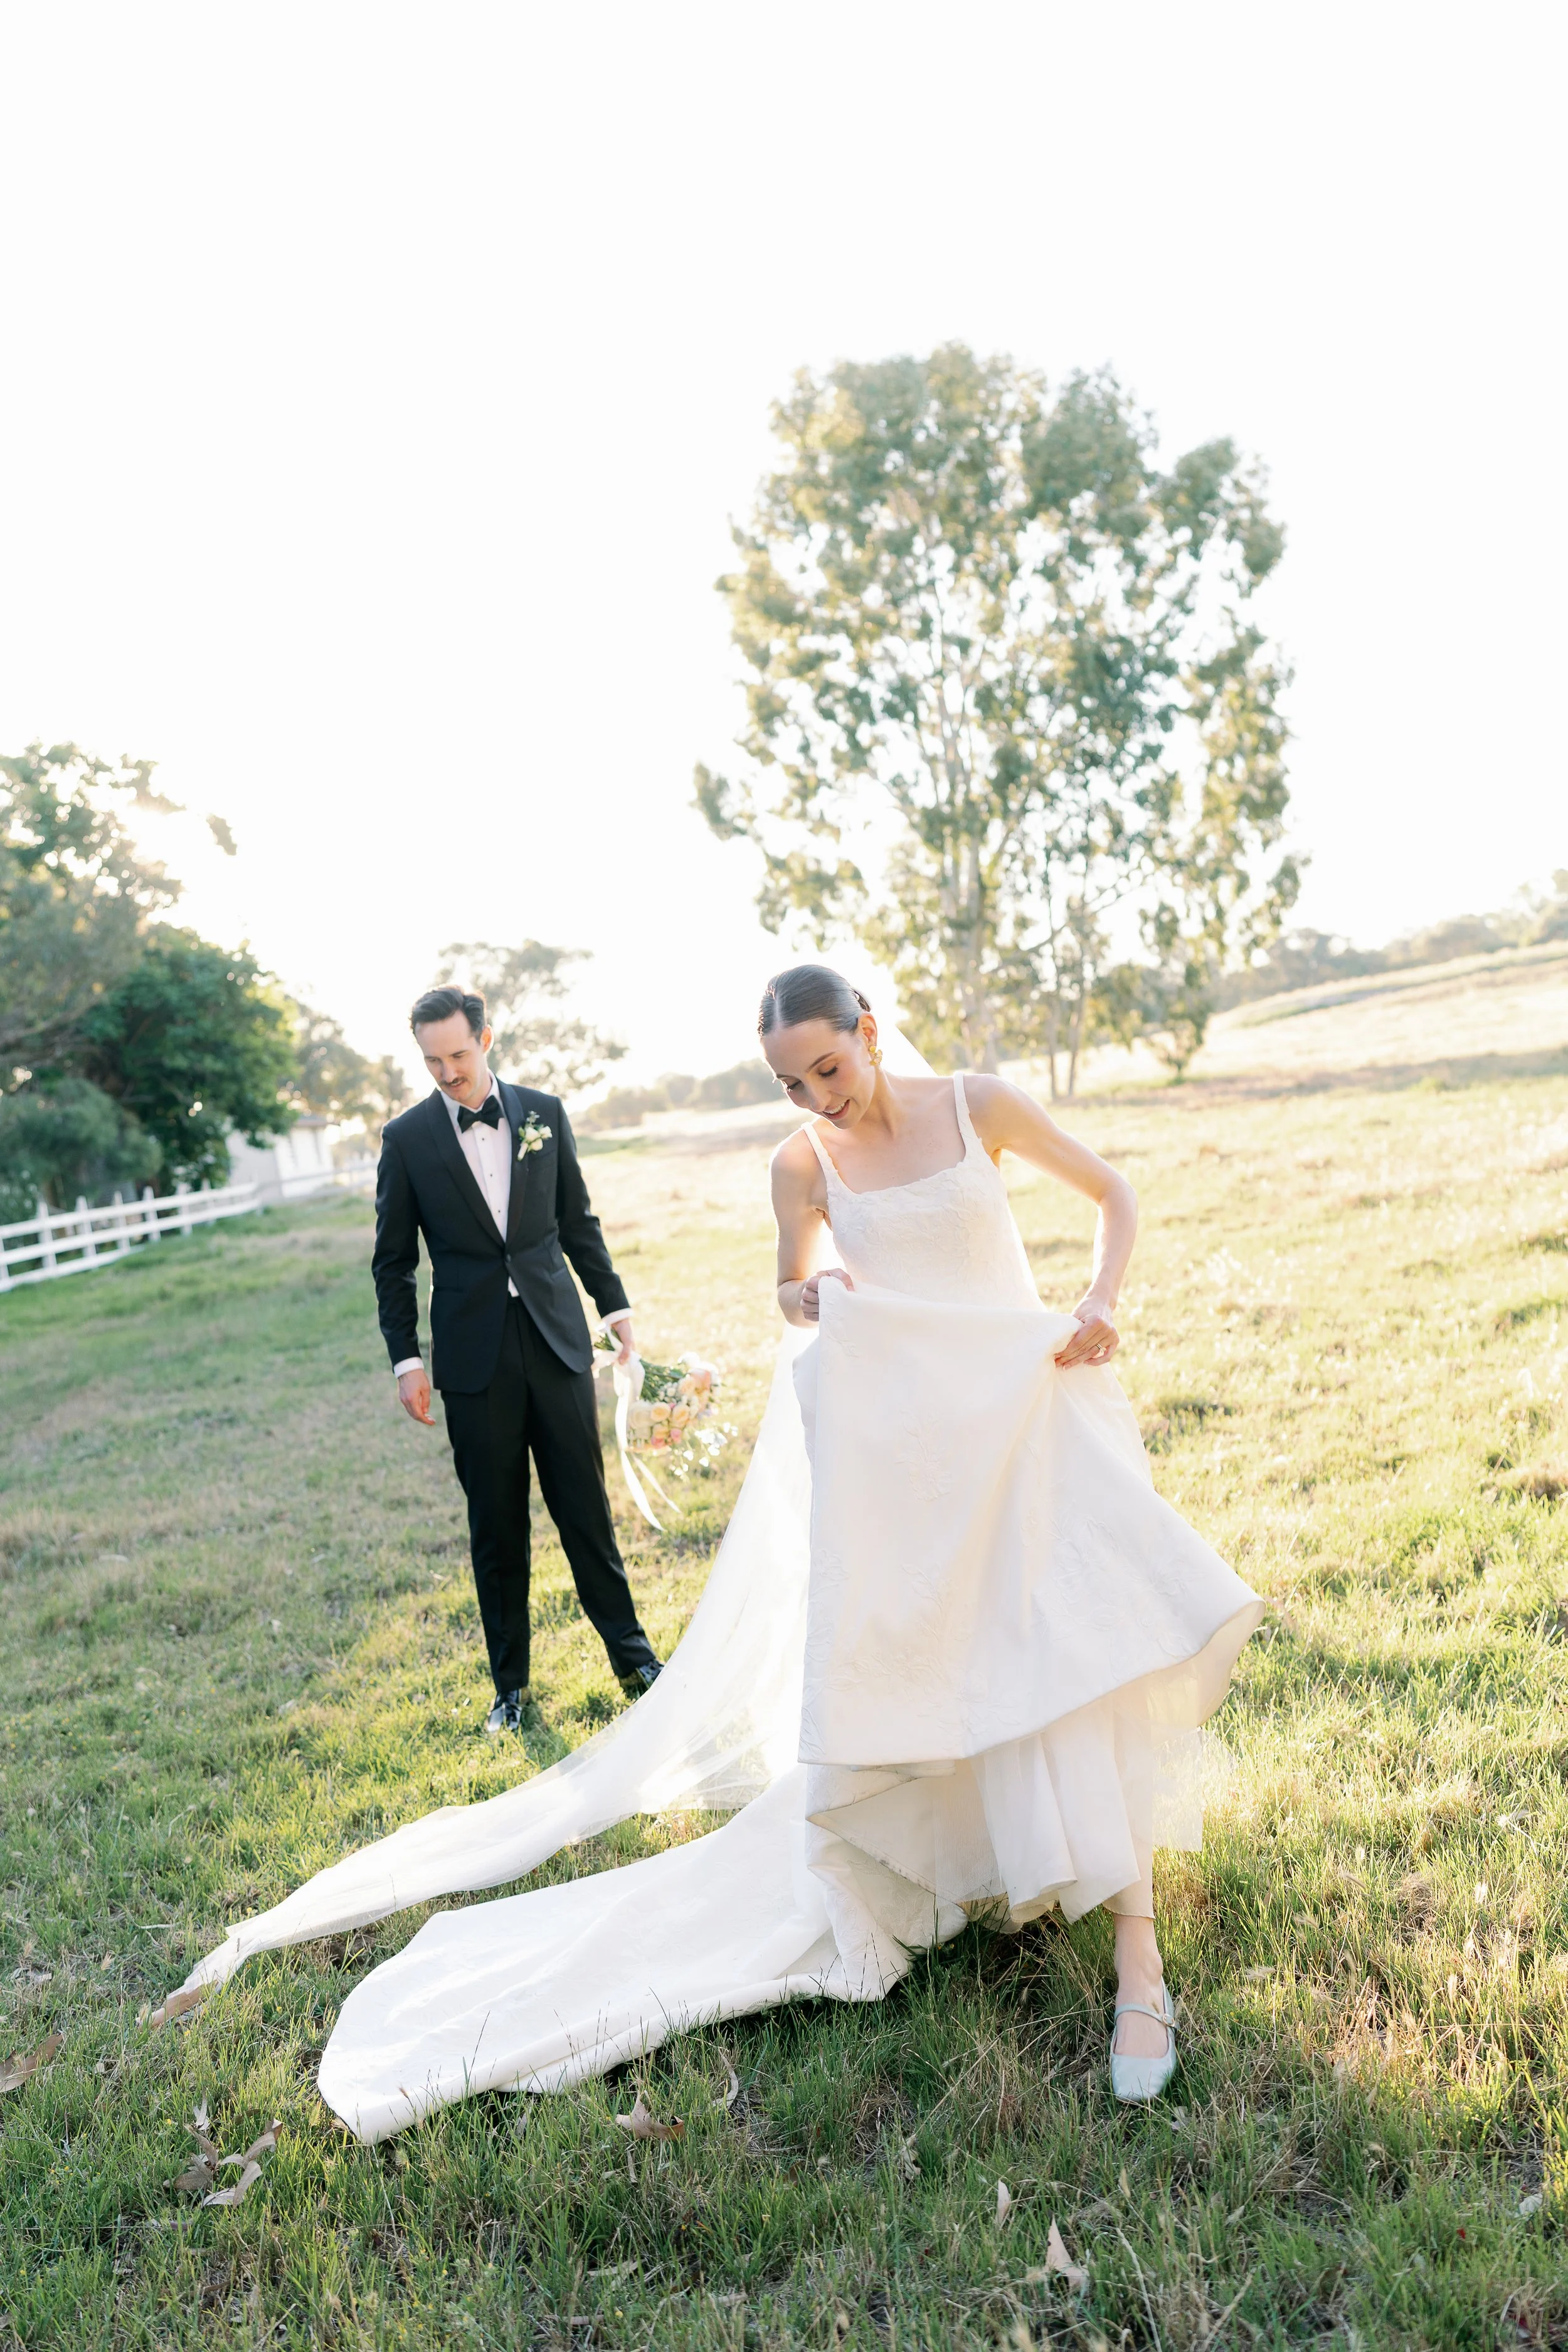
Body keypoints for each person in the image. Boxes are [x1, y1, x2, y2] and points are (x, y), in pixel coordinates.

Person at [179, 968, 1260, 2133]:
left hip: (1029, 1412)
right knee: (983, 1665)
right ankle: (1013, 1862)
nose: (817, 1098)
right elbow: (792, 1285)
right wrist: (813, 1294)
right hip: (918, 1452)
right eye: (792, 1083)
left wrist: (1101, 1299)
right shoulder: (803, 1162)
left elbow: (1112, 1192)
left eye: (830, 1070)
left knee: (1077, 1658)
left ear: (871, 1033)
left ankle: (1140, 1971)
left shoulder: (977, 1106)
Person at [372, 983, 661, 1729]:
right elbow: (393, 1262)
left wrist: (614, 1306)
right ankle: (511, 1689)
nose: (447, 1073)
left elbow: (577, 1222)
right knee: (495, 1526)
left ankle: (634, 1661)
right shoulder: (406, 1140)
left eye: (459, 1055)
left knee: (584, 1512)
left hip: (558, 1341)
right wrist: (407, 1360)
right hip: (471, 1362)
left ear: (487, 1039)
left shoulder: (544, 1113)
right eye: (432, 1061)